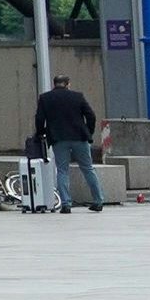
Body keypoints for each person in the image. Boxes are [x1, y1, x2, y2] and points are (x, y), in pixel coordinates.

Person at [34, 75, 106, 213]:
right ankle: (98, 201)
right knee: (88, 168)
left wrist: (41, 133)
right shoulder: (77, 96)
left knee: (62, 170)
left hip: (59, 139)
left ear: (54, 84)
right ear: (68, 84)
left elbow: (39, 118)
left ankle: (66, 204)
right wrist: (88, 131)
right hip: (80, 137)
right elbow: (91, 115)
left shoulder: (45, 98)